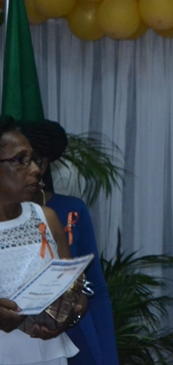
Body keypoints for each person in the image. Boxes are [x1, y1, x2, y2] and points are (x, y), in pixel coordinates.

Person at [17, 119, 120, 365]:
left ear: (43, 165)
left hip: (72, 331)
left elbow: (95, 285)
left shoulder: (70, 210)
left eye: (32, 160)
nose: (28, 167)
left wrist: (106, 355)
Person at [0, 115, 87, 364]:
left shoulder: (46, 218)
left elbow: (76, 290)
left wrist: (68, 315)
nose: (36, 169)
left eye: (34, 159)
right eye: (21, 160)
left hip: (46, 353)